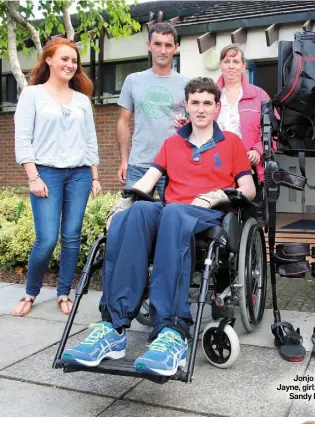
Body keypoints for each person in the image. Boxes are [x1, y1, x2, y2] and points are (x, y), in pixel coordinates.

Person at [62, 78, 256, 376]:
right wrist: (122, 204)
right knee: (138, 212)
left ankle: (172, 332)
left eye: (207, 103)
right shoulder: (172, 143)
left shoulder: (231, 142)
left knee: (174, 213)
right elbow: (147, 182)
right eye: (195, 102)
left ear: (217, 108)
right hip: (171, 213)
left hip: (207, 215)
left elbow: (249, 188)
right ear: (187, 106)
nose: (201, 109)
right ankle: (113, 328)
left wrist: (219, 194)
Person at [12, 38, 101, 317]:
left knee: (72, 237)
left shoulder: (82, 100)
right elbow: (23, 139)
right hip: (46, 173)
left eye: (74, 60)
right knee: (47, 239)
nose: (70, 65)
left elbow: (90, 140)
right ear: (48, 59)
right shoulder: (32, 94)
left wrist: (95, 176)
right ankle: (30, 291)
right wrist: (33, 177)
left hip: (79, 174)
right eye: (64, 59)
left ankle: (64, 293)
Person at [175, 44, 270, 182]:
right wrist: (184, 126)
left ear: (243, 66)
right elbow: (199, 123)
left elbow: (272, 132)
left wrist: (257, 150)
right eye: (226, 61)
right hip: (212, 165)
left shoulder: (260, 96)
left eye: (236, 62)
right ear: (220, 65)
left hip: (248, 166)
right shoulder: (209, 94)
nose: (231, 66)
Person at [117, 22, 189, 199]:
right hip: (138, 164)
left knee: (171, 220)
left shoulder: (187, 84)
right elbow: (123, 122)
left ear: (175, 48)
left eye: (168, 45)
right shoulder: (133, 80)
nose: (162, 50)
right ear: (149, 45)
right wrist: (124, 160)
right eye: (157, 44)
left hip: (173, 165)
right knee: (133, 218)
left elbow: (195, 124)